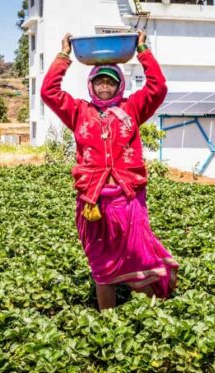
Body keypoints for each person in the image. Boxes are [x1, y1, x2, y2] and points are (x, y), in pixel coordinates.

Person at [41, 30, 179, 310]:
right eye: (100, 81)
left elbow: (158, 87)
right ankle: (108, 322)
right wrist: (64, 56)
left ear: (120, 85)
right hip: (93, 201)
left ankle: (148, 313)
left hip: (127, 198)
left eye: (111, 82)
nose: (105, 87)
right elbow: (48, 92)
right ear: (92, 85)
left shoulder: (133, 108)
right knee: (101, 262)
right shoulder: (79, 111)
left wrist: (143, 50)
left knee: (137, 256)